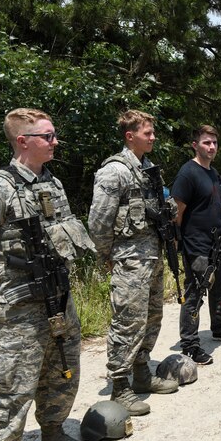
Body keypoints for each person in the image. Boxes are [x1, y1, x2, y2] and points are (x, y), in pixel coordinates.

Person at [0, 108, 99, 441]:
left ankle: (53, 436)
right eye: (47, 137)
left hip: (57, 297)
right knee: (12, 381)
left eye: (54, 135)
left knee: (61, 369)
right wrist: (2, 289)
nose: (55, 142)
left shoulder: (52, 184)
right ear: (23, 141)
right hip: (18, 308)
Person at [89, 110, 178, 417]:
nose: (153, 137)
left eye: (152, 132)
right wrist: (107, 256)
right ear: (130, 136)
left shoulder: (149, 168)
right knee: (128, 321)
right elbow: (98, 221)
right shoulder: (115, 171)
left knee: (152, 316)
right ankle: (119, 385)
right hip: (129, 259)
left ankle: (141, 371)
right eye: (147, 133)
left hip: (152, 255)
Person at [171, 125, 221, 366]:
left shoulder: (213, 173)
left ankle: (220, 327)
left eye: (214, 143)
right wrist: (181, 242)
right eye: (206, 143)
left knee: (220, 289)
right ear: (195, 145)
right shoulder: (187, 173)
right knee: (195, 294)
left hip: (217, 243)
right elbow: (177, 212)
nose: (211, 147)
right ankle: (190, 344)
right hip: (197, 245)